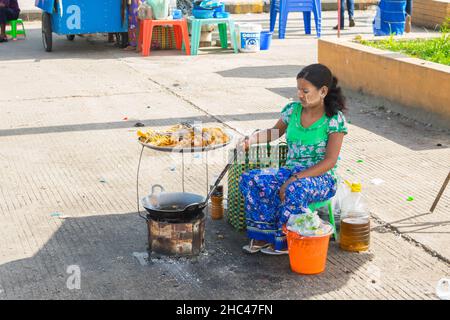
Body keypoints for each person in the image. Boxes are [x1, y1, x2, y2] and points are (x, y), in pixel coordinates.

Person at [238, 64, 348, 255]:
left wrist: (296, 178)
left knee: (294, 189)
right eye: (298, 90)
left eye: (305, 91)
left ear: (323, 91)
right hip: (291, 171)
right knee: (252, 178)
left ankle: (285, 240)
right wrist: (251, 139)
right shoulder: (292, 111)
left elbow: (330, 161)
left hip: (321, 177)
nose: (300, 95)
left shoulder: (334, 120)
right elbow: (274, 133)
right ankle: (264, 235)